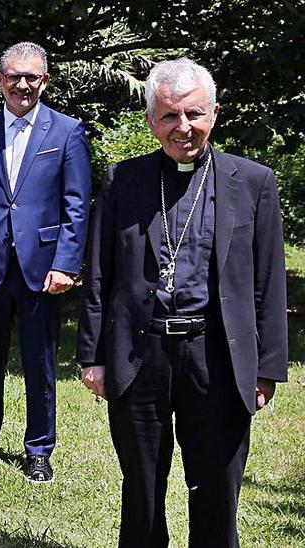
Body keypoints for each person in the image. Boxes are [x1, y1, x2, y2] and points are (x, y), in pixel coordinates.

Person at [77, 58, 287, 547]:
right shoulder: (122, 181)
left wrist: (267, 367)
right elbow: (99, 272)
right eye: (170, 116)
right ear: (152, 121)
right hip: (141, 354)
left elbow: (269, 280)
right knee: (142, 487)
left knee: (217, 487)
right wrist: (92, 355)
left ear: (214, 114)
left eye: (194, 114)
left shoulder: (252, 182)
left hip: (217, 353)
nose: (184, 128)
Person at [0, 42, 92, 482]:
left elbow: (77, 204)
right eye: (14, 76)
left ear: (45, 80)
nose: (23, 85)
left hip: (43, 268)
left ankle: (39, 449)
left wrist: (67, 264)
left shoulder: (66, 132)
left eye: (32, 77)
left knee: (40, 362)